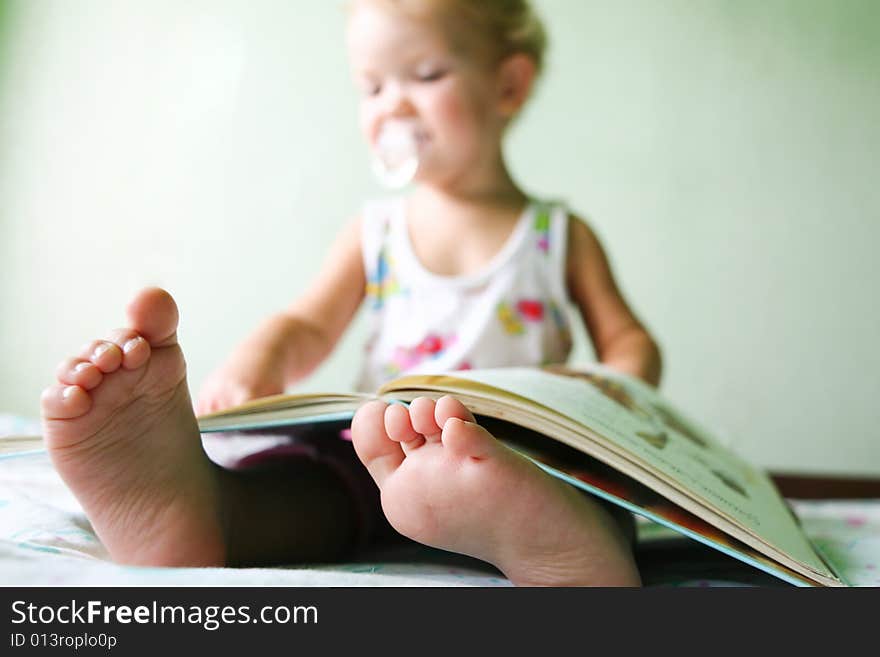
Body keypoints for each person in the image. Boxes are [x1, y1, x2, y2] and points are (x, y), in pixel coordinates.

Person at [40, 0, 660, 586]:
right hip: (385, 454)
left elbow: (627, 339)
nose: (392, 106)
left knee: (587, 486)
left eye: (424, 74)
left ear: (508, 86)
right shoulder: (376, 232)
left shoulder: (557, 234)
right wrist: (263, 360)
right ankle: (204, 512)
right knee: (312, 479)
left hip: (521, 457)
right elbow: (308, 325)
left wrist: (613, 390)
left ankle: (548, 537)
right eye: (373, 86)